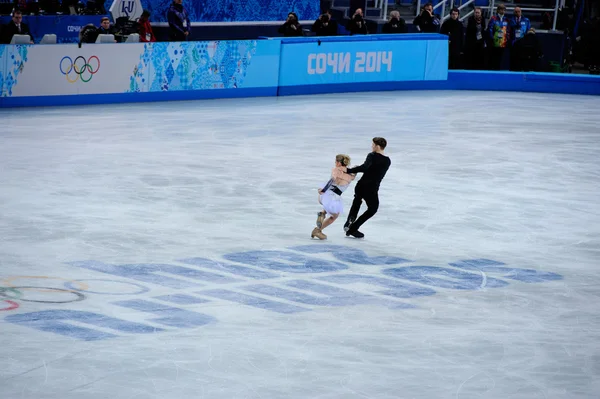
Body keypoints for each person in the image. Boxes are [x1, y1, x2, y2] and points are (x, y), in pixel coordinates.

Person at [342, 137, 390, 239]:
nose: (371, 146)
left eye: (373, 145)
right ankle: (353, 228)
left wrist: (349, 170)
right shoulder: (387, 161)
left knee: (357, 201)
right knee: (372, 209)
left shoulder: (372, 155)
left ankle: (350, 221)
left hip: (361, 185)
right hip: (372, 188)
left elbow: (365, 168)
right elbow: (374, 170)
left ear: (377, 146)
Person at [311, 154, 355, 240]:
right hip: (333, 197)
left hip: (326, 195)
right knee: (334, 216)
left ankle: (322, 215)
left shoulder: (336, 170)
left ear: (338, 163)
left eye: (335, 161)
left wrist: (323, 191)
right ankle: (319, 226)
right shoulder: (351, 175)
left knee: (330, 209)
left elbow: (333, 180)